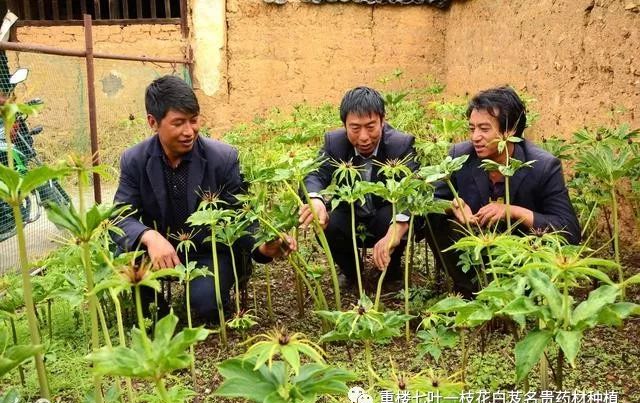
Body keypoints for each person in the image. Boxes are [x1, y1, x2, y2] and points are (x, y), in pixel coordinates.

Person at [114, 75, 294, 323]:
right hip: (158, 251)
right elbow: (120, 216)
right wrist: (150, 236)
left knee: (206, 306)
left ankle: (219, 285)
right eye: (178, 123)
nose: (190, 131)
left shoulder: (223, 158)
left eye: (194, 120)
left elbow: (240, 217)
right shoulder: (134, 160)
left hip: (208, 253)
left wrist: (263, 248)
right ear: (153, 122)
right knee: (123, 259)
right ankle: (157, 310)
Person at [428, 86, 580, 297]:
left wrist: (514, 211)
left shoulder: (543, 166)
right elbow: (429, 202)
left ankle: (525, 294)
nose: (475, 137)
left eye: (484, 128)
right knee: (434, 221)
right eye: (472, 129)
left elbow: (569, 230)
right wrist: (452, 206)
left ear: (509, 131)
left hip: (524, 256)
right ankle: (470, 292)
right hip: (475, 250)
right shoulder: (460, 156)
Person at [299, 86, 418, 288]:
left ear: (382, 120)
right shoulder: (334, 143)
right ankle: (351, 272)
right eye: (355, 128)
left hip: (384, 216)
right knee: (330, 222)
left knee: (393, 215)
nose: (363, 137)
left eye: (371, 127)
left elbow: (413, 188)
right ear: (344, 125)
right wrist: (316, 199)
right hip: (351, 215)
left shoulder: (401, 144)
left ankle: (391, 271)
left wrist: (397, 228)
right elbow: (315, 174)